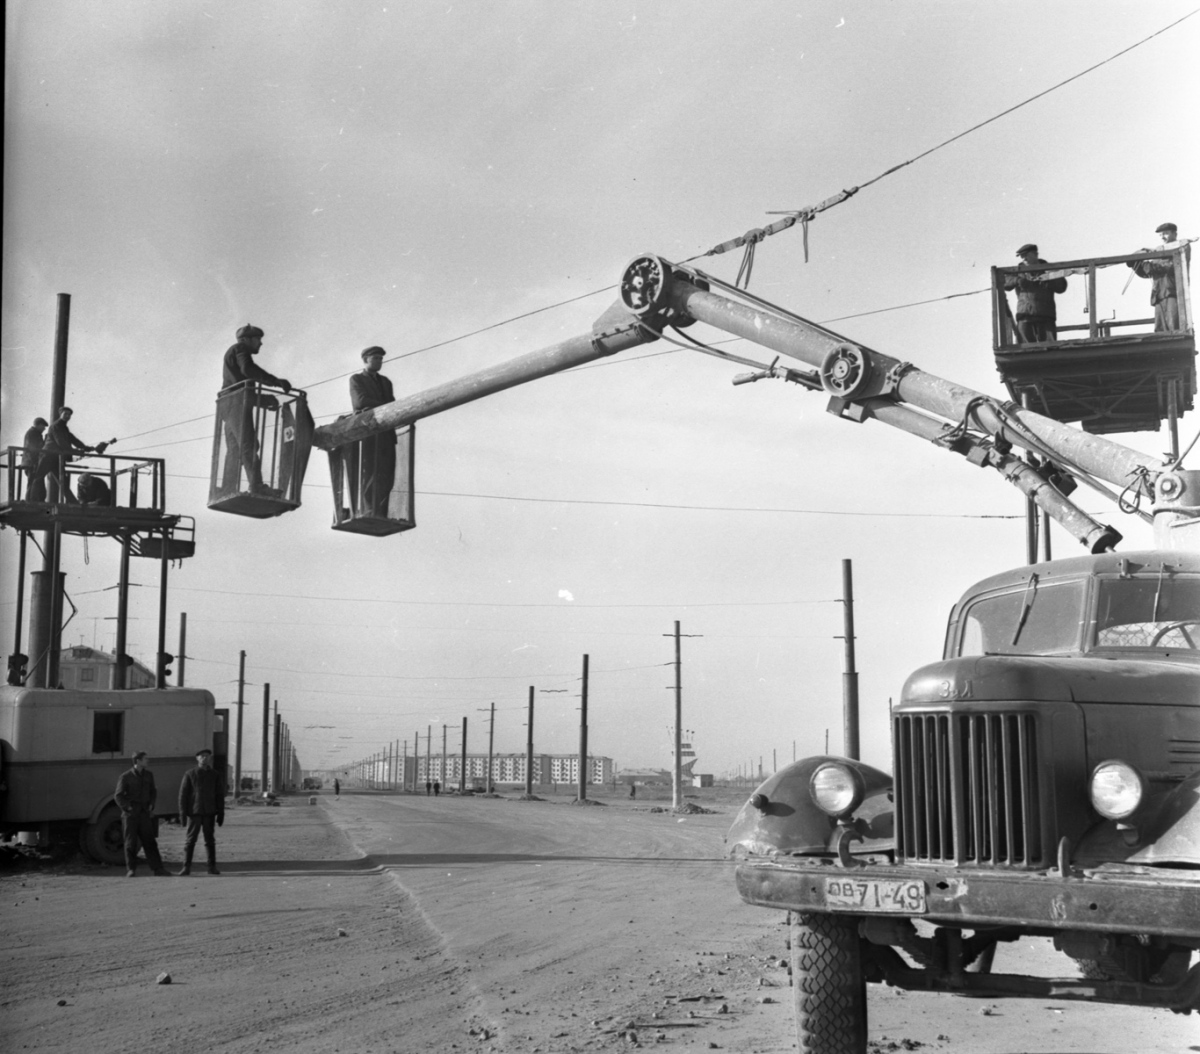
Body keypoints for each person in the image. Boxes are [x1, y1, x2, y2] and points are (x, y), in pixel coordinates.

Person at [219, 324, 292, 494]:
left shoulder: (235, 352)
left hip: (230, 404)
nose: (260, 343)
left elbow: (239, 383)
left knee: (236, 448)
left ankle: (227, 488)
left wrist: (263, 401)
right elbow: (247, 370)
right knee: (248, 445)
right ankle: (256, 486)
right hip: (235, 403)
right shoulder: (240, 348)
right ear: (246, 340)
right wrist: (275, 381)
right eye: (258, 339)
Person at [348, 345, 397, 518]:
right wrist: (385, 406)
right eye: (375, 358)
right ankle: (369, 511)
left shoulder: (385, 382)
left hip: (386, 433)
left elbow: (392, 402)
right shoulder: (357, 379)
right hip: (368, 430)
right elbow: (361, 402)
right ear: (365, 360)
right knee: (369, 473)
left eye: (381, 359)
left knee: (387, 475)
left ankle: (381, 512)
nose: (379, 361)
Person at [114, 751, 170, 877]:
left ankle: (158, 869)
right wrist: (128, 808)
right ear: (137, 761)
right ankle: (131, 869)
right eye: (145, 759)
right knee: (130, 842)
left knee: (150, 841)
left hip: (144, 813)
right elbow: (118, 796)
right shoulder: (125, 776)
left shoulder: (149, 775)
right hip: (130, 814)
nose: (148, 761)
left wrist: (151, 804)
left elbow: (153, 791)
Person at [1129, 223, 1191, 332]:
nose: (1162, 237)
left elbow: (1171, 266)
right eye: (1160, 235)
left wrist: (1150, 265)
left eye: (1165, 233)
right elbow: (1147, 271)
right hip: (1158, 295)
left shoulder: (1183, 247)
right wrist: (1137, 259)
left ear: (1174, 233)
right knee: (1160, 330)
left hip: (1173, 293)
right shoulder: (1158, 252)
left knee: (1175, 328)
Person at [1003, 243, 1067, 344]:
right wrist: (1017, 280)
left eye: (1025, 255)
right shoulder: (1018, 271)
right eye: (1021, 256)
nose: (1023, 258)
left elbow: (1062, 287)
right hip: (1025, 316)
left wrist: (1049, 280)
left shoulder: (1049, 269)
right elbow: (1003, 282)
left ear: (1035, 254)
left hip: (1046, 316)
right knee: (1024, 352)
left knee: (1050, 349)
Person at [32, 407, 99, 503]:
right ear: (60, 414)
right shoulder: (55, 426)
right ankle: (33, 500)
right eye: (65, 414)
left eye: (69, 414)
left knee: (62, 480)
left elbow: (72, 439)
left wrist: (85, 447)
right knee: (39, 477)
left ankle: (72, 502)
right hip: (48, 456)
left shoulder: (64, 428)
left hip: (56, 458)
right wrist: (76, 451)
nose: (68, 416)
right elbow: (61, 443)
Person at [177, 747, 225, 876]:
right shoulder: (190, 774)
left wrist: (220, 813)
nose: (205, 758)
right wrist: (182, 815)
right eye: (202, 756)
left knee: (210, 840)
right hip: (195, 813)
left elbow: (219, 795)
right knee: (190, 840)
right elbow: (183, 795)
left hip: (209, 813)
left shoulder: (215, 775)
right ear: (197, 758)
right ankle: (186, 867)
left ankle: (212, 867)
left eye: (207, 756)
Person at [21, 417, 48, 502]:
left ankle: (35, 500)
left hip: (32, 462)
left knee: (35, 482)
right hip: (32, 463)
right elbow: (31, 449)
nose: (44, 428)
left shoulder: (34, 433)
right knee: (33, 482)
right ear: (39, 425)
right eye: (43, 426)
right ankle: (30, 501)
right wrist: (34, 463)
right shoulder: (32, 433)